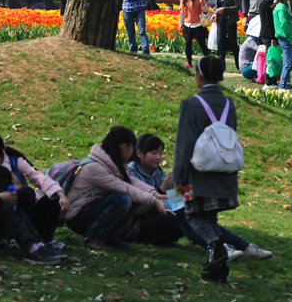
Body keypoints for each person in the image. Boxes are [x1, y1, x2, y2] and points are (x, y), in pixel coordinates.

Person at [129, 134, 271, 260]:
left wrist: (182, 191)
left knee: (197, 213)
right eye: (154, 153)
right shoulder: (131, 172)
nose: (159, 157)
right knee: (186, 215)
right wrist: (162, 189)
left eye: (161, 153)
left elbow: (171, 201)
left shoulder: (158, 172)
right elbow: (135, 210)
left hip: (164, 220)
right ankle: (219, 249)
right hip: (140, 228)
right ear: (140, 153)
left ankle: (244, 247)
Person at [172, 56, 243, 284]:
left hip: (196, 175)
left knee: (192, 216)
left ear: (199, 76)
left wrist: (178, 178)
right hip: (223, 173)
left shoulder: (191, 104)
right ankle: (217, 271)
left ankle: (216, 247)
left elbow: (184, 144)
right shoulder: (229, 105)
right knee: (210, 218)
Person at [62, 126, 169, 251]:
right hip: (78, 216)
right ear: (124, 147)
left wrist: (155, 193)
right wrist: (154, 201)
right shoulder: (95, 167)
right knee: (123, 199)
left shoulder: (113, 164)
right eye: (131, 148)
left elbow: (131, 181)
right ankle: (92, 237)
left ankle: (111, 236)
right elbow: (122, 186)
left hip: (93, 209)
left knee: (131, 198)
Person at [0, 130, 69, 253]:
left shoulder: (16, 163)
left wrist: (60, 194)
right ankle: (12, 238)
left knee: (34, 195)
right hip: (0, 215)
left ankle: (43, 240)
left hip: (23, 211)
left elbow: (40, 178)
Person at [272, 0, 292, 90]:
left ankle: (286, 85)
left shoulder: (279, 6)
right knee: (288, 64)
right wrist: (291, 38)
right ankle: (282, 86)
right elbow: (285, 25)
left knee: (288, 63)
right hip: (286, 38)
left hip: (283, 38)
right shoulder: (282, 8)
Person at [178, 0, 210, 68]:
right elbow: (182, 12)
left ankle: (209, 62)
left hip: (199, 25)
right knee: (188, 44)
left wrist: (203, 4)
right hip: (187, 25)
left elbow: (206, 10)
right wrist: (180, 24)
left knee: (202, 44)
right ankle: (189, 63)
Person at [214, 0, 240, 70]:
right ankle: (221, 67)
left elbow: (237, 7)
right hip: (220, 21)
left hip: (230, 21)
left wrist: (225, 10)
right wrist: (215, 14)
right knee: (220, 43)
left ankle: (239, 65)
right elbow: (217, 7)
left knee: (233, 43)